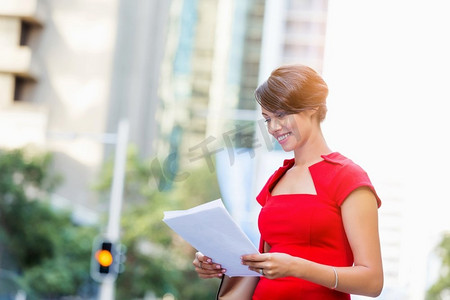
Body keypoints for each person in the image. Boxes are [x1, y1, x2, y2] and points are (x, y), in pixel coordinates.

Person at [192, 64, 383, 299]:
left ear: (312, 107)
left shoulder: (348, 177)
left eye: (281, 115)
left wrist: (296, 267)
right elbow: (265, 261)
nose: (273, 128)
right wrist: (222, 263)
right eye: (267, 119)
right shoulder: (277, 179)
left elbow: (372, 281)